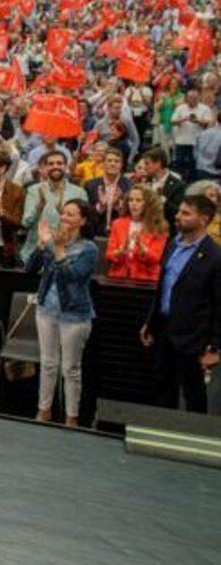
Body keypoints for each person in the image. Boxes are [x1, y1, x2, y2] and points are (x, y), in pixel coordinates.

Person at [140, 195, 221, 414]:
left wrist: (215, 347)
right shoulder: (172, 244)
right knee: (162, 385)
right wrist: (150, 322)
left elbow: (219, 305)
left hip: (193, 336)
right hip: (164, 330)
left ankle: (195, 438)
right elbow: (164, 287)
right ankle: (163, 433)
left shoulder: (215, 257)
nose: (177, 217)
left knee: (192, 392)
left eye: (186, 213)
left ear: (203, 219)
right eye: (179, 211)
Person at [26, 199, 98, 427]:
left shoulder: (89, 249)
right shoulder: (52, 241)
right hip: (47, 309)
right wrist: (41, 244)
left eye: (70, 214)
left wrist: (57, 249)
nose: (64, 218)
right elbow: (29, 269)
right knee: (47, 363)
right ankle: (43, 411)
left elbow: (73, 277)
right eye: (63, 213)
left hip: (74, 315)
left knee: (70, 368)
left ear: (83, 220)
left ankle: (71, 417)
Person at [20, 151, 88, 263]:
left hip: (66, 256)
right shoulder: (34, 190)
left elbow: (83, 225)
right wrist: (40, 205)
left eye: (59, 163)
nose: (55, 166)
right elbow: (26, 224)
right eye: (51, 164)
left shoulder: (79, 192)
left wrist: (63, 213)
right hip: (36, 255)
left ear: (65, 166)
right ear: (45, 167)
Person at [105, 186, 169, 282]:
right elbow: (109, 254)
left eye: (138, 200)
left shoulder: (159, 227)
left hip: (146, 279)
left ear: (149, 204)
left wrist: (142, 247)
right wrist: (121, 251)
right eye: (131, 200)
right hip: (119, 277)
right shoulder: (118, 224)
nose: (133, 204)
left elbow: (156, 259)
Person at [84, 147, 131, 237]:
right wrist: (101, 206)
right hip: (95, 234)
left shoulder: (130, 186)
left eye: (117, 161)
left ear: (121, 165)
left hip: (122, 235)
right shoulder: (90, 185)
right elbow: (86, 214)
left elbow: (132, 213)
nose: (113, 164)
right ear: (103, 164)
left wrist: (118, 205)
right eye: (109, 161)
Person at [142, 146, 186, 226]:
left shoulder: (178, 185)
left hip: (167, 229)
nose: (144, 167)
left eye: (147, 163)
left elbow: (178, 211)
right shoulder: (145, 181)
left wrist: (162, 200)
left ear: (158, 163)